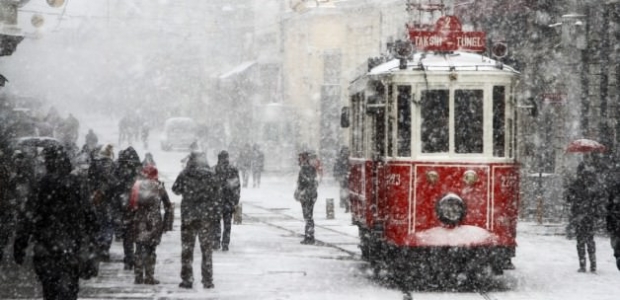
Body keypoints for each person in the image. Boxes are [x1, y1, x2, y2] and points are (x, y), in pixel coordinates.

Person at [13, 145, 99, 300]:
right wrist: (92, 236)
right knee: (70, 286)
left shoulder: (41, 185)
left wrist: (20, 243)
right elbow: (90, 214)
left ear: (48, 163)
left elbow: (28, 216)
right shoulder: (77, 184)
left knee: (50, 288)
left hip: (46, 244)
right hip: (72, 243)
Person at [172, 151, 220, 289]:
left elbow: (176, 189)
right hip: (206, 216)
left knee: (187, 249)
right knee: (206, 250)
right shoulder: (211, 175)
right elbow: (217, 193)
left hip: (189, 216)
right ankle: (207, 280)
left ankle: (187, 279)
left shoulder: (185, 174)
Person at [128, 165, 173, 285]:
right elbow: (168, 206)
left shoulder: (137, 186)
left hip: (139, 220)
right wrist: (167, 224)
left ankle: (138, 276)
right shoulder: (159, 187)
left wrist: (129, 220)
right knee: (151, 250)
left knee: (138, 249)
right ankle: (149, 276)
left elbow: (130, 205)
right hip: (154, 221)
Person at [566, 161, 601, 273]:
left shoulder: (576, 184)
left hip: (579, 215)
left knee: (580, 241)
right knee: (590, 239)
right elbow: (597, 199)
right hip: (588, 216)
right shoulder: (592, 183)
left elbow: (568, 198)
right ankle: (593, 264)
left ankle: (583, 265)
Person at [112, 146, 143, 270]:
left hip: (125, 206)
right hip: (138, 205)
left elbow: (114, 187)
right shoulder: (139, 170)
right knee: (139, 233)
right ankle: (137, 257)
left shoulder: (118, 170)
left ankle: (129, 258)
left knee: (127, 235)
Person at [87, 144, 116, 262]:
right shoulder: (114, 165)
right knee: (108, 223)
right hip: (109, 199)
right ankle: (106, 246)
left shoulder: (95, 164)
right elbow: (116, 183)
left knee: (97, 222)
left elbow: (89, 180)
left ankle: (98, 244)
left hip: (96, 198)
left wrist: (94, 191)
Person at [213, 150, 241, 251]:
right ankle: (225, 243)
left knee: (216, 222)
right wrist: (236, 201)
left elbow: (209, 186)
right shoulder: (233, 170)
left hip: (216, 200)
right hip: (228, 201)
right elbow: (237, 186)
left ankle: (216, 241)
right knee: (227, 223)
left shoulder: (214, 169)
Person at [296, 151, 319, 245]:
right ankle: (309, 235)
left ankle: (309, 236)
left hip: (307, 195)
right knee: (308, 216)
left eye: (300, 158)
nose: (298, 160)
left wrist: (302, 190)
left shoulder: (305, 168)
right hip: (310, 195)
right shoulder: (309, 168)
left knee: (308, 216)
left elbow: (305, 182)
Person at [333, 146, 350, 212]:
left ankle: (344, 202)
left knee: (344, 190)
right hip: (344, 177)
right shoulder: (343, 159)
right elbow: (336, 168)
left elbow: (336, 168)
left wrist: (337, 175)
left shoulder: (340, 159)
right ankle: (345, 202)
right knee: (344, 190)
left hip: (344, 176)